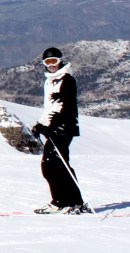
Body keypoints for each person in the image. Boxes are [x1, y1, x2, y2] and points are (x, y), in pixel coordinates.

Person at [31, 47, 92, 214]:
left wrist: (51, 125)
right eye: (47, 62)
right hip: (55, 127)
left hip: (63, 128)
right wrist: (40, 124)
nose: (51, 65)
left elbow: (64, 105)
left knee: (55, 165)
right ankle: (67, 201)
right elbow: (49, 106)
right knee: (53, 165)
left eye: (54, 61)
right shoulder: (50, 80)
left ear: (60, 61)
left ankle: (69, 202)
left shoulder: (66, 79)